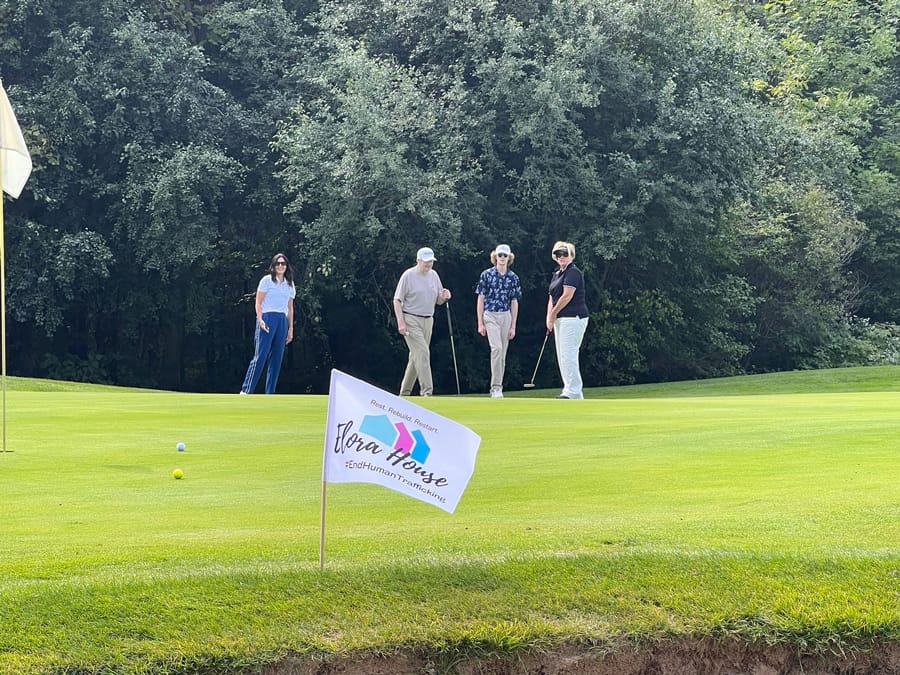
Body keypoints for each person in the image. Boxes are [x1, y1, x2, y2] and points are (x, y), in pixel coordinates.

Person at [393, 247, 452, 396]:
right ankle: (427, 392)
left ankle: (404, 394)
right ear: (418, 260)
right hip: (410, 319)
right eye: (426, 261)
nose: (429, 264)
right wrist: (401, 322)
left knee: (416, 357)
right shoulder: (408, 275)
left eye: (431, 261)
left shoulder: (434, 275)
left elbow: (438, 300)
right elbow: (397, 300)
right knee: (423, 353)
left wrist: (445, 296)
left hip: (428, 320)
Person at [240, 253, 296, 394]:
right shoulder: (267, 281)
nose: (280, 266)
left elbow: (290, 308)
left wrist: (290, 329)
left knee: (277, 358)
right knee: (260, 356)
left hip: (282, 320)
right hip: (267, 317)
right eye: (278, 263)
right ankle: (246, 390)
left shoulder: (290, 284)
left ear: (286, 266)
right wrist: (260, 319)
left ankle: (270, 393)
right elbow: (258, 302)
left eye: (283, 263)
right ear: (273, 266)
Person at [475, 244, 522, 398]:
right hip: (490, 315)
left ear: (509, 258)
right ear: (495, 256)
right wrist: (480, 323)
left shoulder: (513, 277)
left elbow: (514, 301)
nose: (502, 258)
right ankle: (495, 387)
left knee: (502, 354)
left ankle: (498, 386)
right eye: (500, 255)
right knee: (496, 349)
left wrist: (513, 326)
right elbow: (480, 298)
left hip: (505, 315)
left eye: (505, 255)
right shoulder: (486, 275)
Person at [546, 241, 589, 399]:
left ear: (571, 255)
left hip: (573, 317)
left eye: (565, 253)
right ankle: (569, 389)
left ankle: (574, 391)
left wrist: (553, 314)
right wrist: (549, 317)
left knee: (568, 354)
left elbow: (566, 296)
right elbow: (552, 297)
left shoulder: (573, 272)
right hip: (561, 319)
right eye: (558, 254)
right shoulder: (557, 274)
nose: (561, 256)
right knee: (562, 355)